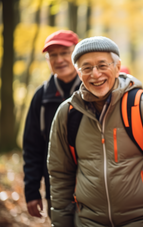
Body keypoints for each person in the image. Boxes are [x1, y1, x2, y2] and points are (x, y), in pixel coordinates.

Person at [47, 36, 143, 227]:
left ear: (117, 66)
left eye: (102, 65)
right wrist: (61, 221)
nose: (95, 74)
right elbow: (60, 173)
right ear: (78, 73)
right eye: (87, 68)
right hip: (88, 221)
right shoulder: (67, 113)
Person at [23, 30, 81, 219]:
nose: (59, 59)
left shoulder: (93, 90)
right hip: (55, 190)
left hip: (93, 187)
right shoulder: (41, 97)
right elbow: (32, 147)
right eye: (53, 55)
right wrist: (31, 191)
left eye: (64, 53)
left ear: (77, 53)